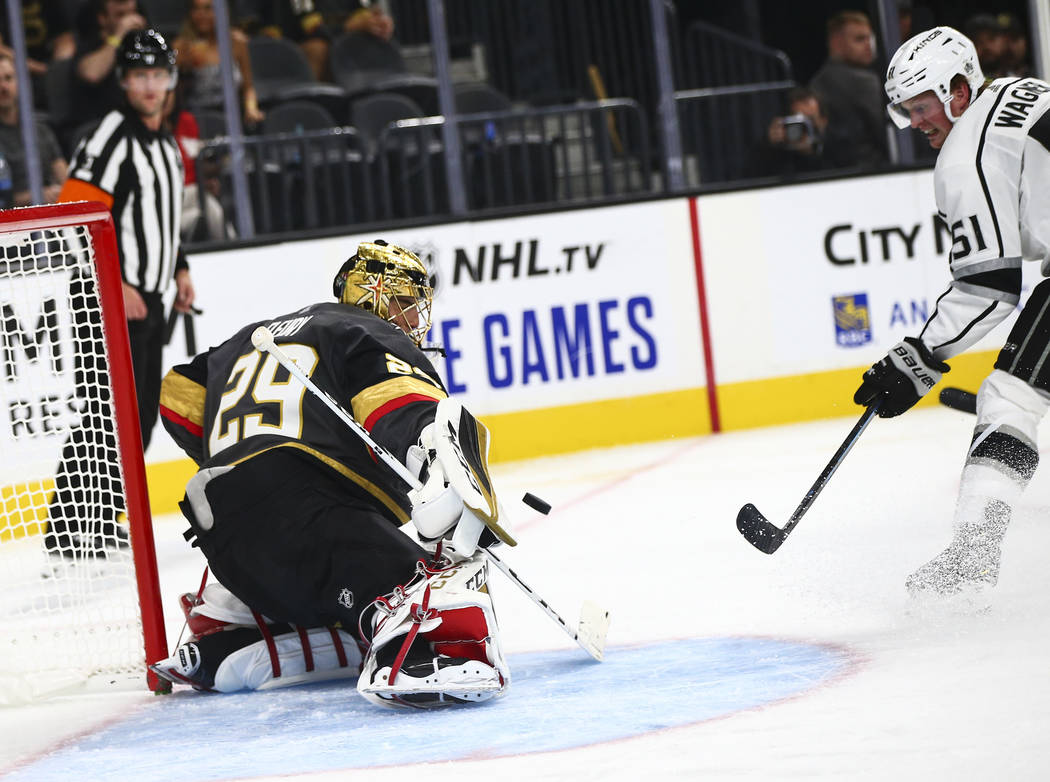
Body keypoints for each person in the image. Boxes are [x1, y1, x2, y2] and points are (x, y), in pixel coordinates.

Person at [149, 240, 512, 707]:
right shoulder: (365, 330)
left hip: (225, 539)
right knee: (428, 587)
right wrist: (452, 488)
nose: (413, 319)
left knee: (332, 592)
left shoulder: (248, 338)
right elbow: (405, 409)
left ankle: (230, 636)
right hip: (310, 517)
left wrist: (229, 451)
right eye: (404, 303)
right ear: (375, 295)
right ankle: (420, 655)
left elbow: (178, 395)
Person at [853, 27, 1050, 596]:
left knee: (1012, 399)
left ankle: (969, 566)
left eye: (922, 106)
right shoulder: (1023, 89)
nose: (916, 123)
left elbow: (990, 287)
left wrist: (920, 356)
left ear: (958, 90)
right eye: (906, 111)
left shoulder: (965, 157)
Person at [44, 29, 196, 558]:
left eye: (158, 75)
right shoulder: (112, 134)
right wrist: (119, 282)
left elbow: (167, 219)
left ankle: (104, 519)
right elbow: (74, 214)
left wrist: (178, 268)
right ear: (124, 81)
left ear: (170, 79)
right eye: (140, 77)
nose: (150, 87)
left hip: (149, 300)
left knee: (140, 415)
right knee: (105, 412)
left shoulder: (167, 143)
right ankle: (66, 532)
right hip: (105, 297)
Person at [809, 10, 889, 170]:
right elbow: (886, 134)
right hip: (874, 170)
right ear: (836, 43)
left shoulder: (815, 83)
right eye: (860, 39)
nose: (869, 45)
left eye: (869, 38)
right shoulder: (864, 82)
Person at [174, 0, 264, 125]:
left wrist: (251, 108)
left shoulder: (237, 43)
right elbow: (171, 92)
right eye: (196, 9)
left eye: (208, 9)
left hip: (231, 115)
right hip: (195, 118)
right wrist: (185, 67)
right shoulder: (181, 47)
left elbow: (248, 87)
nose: (201, 14)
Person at [0, 51, 68, 205]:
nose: (3, 86)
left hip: (49, 215)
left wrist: (57, 193)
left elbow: (65, 178)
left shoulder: (40, 128)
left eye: (8, 78)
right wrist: (35, 195)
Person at [71, 0, 150, 126]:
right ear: (103, 19)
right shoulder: (90, 46)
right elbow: (92, 74)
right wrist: (119, 35)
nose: (129, 21)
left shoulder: (144, 46)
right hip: (100, 126)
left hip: (138, 126)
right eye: (121, 15)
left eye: (133, 13)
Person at [751, 86, 855, 177]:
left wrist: (809, 154)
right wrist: (768, 146)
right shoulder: (778, 149)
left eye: (810, 120)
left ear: (823, 121)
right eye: (800, 121)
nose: (805, 127)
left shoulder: (841, 144)